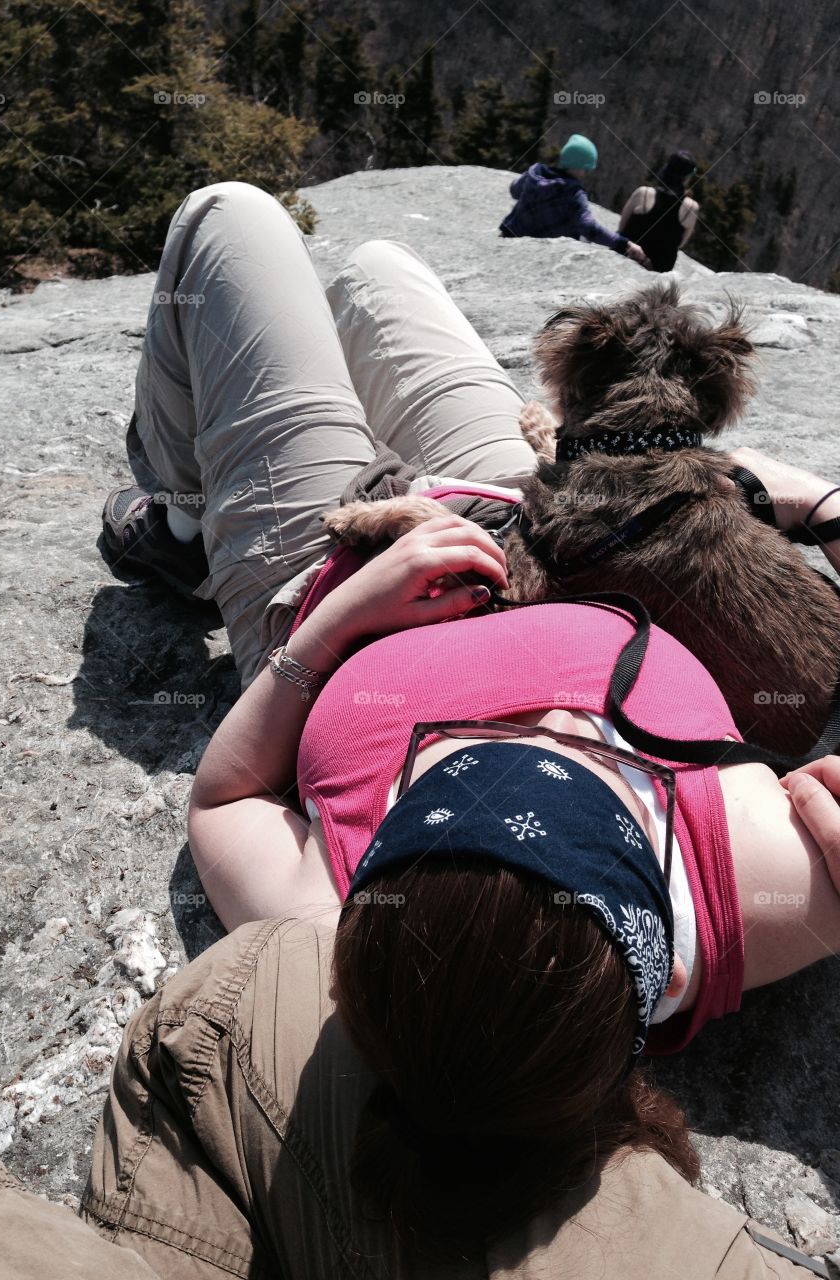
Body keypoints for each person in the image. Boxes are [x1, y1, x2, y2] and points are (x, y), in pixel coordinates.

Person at [100, 180, 840, 1265]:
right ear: (649, 928)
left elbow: (226, 794)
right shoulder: (766, 885)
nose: (538, 722)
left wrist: (340, 619)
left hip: (329, 553)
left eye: (450, 768)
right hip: (541, 507)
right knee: (379, 271)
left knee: (230, 217)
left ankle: (178, 517)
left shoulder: (331, 921)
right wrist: (804, 498)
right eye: (600, 768)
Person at [499, 132, 650, 266]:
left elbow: (514, 190)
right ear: (580, 167)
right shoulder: (573, 193)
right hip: (538, 252)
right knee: (585, 242)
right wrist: (625, 244)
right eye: (586, 169)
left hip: (510, 234)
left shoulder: (534, 173)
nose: (586, 174)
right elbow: (589, 228)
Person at [619, 149, 700, 272]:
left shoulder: (643, 193)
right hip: (659, 268)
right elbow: (680, 244)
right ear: (687, 178)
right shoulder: (692, 208)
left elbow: (622, 227)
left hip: (627, 256)